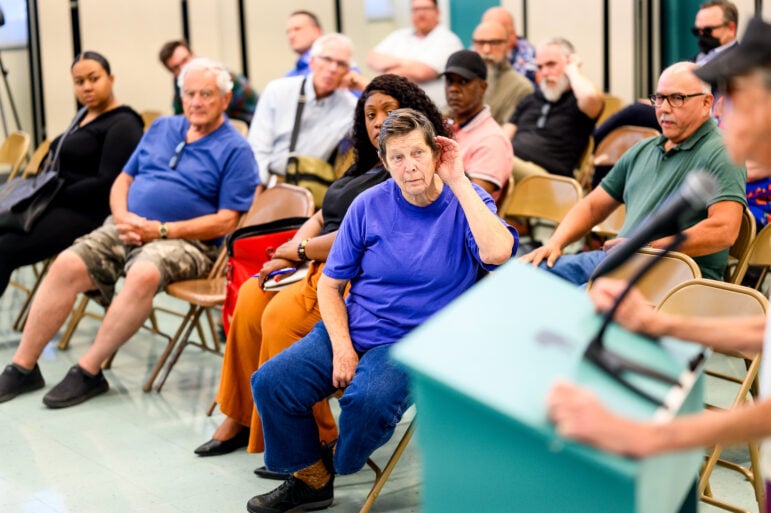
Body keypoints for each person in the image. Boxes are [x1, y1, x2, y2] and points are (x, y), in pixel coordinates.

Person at [547, 19, 771, 511]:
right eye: (660, 99)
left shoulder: (716, 154)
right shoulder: (651, 148)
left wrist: (647, 438)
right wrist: (661, 322)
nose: (728, 122)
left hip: (682, 280)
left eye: (739, 102)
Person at [246, 108, 516, 513]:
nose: (409, 167)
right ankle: (311, 480)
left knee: (368, 402)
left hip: (418, 343)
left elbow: (499, 254)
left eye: (417, 154)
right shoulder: (368, 205)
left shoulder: (466, 199)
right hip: (355, 327)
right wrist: (341, 347)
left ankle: (336, 464)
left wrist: (459, 178)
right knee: (271, 382)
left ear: (436, 153)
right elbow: (332, 287)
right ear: (385, 162)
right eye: (397, 158)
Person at [194, 75, 452, 475]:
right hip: (313, 261)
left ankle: (315, 439)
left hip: (349, 270)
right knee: (249, 298)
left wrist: (297, 251)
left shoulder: (406, 168)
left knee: (279, 319)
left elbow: (356, 237)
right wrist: (288, 254)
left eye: (389, 110)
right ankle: (243, 417)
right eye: (370, 113)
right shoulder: (366, 161)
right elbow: (321, 214)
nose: (378, 120)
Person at [0, 58, 259, 407]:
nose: (196, 102)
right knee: (66, 264)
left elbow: (227, 220)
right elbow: (123, 179)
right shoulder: (162, 128)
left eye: (206, 94)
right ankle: (23, 366)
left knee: (143, 273)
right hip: (128, 225)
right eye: (189, 93)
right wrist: (121, 216)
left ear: (225, 100)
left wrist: (162, 229)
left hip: (188, 242)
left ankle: (89, 371)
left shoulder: (236, 149)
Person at [521, 61, 746, 283]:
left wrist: (644, 248)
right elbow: (592, 206)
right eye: (659, 98)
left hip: (673, 275)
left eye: (677, 98)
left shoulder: (723, 151)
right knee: (527, 274)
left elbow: (723, 230)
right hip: (616, 261)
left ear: (707, 102)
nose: (664, 108)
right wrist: (554, 243)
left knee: (567, 304)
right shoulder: (644, 148)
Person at [0, 51, 143, 297]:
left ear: (111, 78)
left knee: (4, 249)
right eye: (79, 82)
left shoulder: (124, 123)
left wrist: (54, 192)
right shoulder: (84, 115)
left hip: (88, 213)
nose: (87, 87)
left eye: (93, 78)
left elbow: (107, 184)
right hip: (57, 202)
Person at [248, 33, 358, 185]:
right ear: (312, 62)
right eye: (327, 59)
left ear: (349, 71)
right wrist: (262, 186)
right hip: (266, 181)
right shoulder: (277, 91)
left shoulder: (351, 108)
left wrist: (364, 86)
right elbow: (257, 148)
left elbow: (387, 120)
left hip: (311, 187)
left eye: (341, 64)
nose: (332, 68)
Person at [502, 37, 603, 183]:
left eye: (551, 65)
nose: (544, 72)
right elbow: (502, 139)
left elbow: (590, 96)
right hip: (512, 166)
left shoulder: (579, 102)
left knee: (492, 159)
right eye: (540, 67)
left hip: (549, 179)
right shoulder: (530, 99)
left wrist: (573, 69)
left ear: (568, 64)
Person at [442, 49, 513, 202]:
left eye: (463, 81)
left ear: (483, 87)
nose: (453, 89)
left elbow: (472, 202)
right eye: (449, 81)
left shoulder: (492, 140)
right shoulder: (443, 125)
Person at [367, 0, 463, 108]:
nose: (420, 14)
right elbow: (371, 58)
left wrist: (388, 68)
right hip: (396, 109)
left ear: (437, 12)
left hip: (429, 112)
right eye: (416, 9)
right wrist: (406, 63)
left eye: (426, 9)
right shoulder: (399, 35)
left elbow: (422, 72)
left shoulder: (448, 40)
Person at [158, 40, 258, 125]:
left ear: (194, 55)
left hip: (248, 123)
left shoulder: (217, 75)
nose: (183, 68)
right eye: (176, 68)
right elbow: (180, 114)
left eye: (185, 60)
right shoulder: (180, 80)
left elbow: (215, 116)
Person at [470, 19, 533, 126]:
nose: (486, 50)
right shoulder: (464, 80)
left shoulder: (521, 87)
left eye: (493, 42)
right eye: (480, 43)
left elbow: (506, 133)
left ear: (507, 45)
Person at [481, 6, 537, 83]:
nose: (486, 48)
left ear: (512, 34)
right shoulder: (474, 52)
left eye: (494, 41)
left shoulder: (530, 56)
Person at [693, 0, 738, 65]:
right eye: (697, 31)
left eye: (707, 30)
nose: (701, 34)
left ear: (731, 29)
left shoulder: (740, 62)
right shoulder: (697, 58)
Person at [284, 10, 324, 77]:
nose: (291, 36)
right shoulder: (290, 76)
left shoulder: (334, 69)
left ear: (317, 31)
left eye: (297, 29)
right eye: (288, 32)